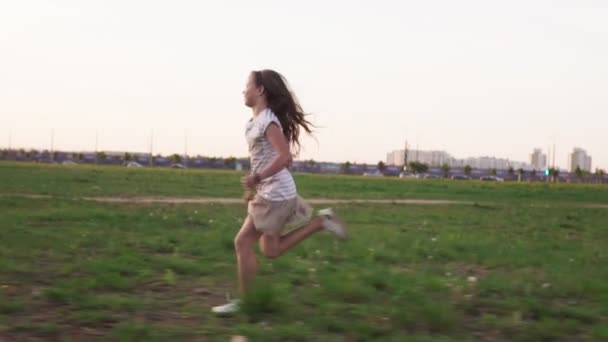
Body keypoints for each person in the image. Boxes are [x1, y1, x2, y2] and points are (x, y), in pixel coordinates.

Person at [212, 69, 347, 314]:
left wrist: (258, 178)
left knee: (243, 242)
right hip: (272, 192)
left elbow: (285, 156)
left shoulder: (267, 121)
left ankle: (246, 303)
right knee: (269, 250)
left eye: (247, 85)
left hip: (276, 194)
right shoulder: (253, 122)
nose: (244, 90)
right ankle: (322, 222)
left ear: (260, 90)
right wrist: (255, 186)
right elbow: (268, 157)